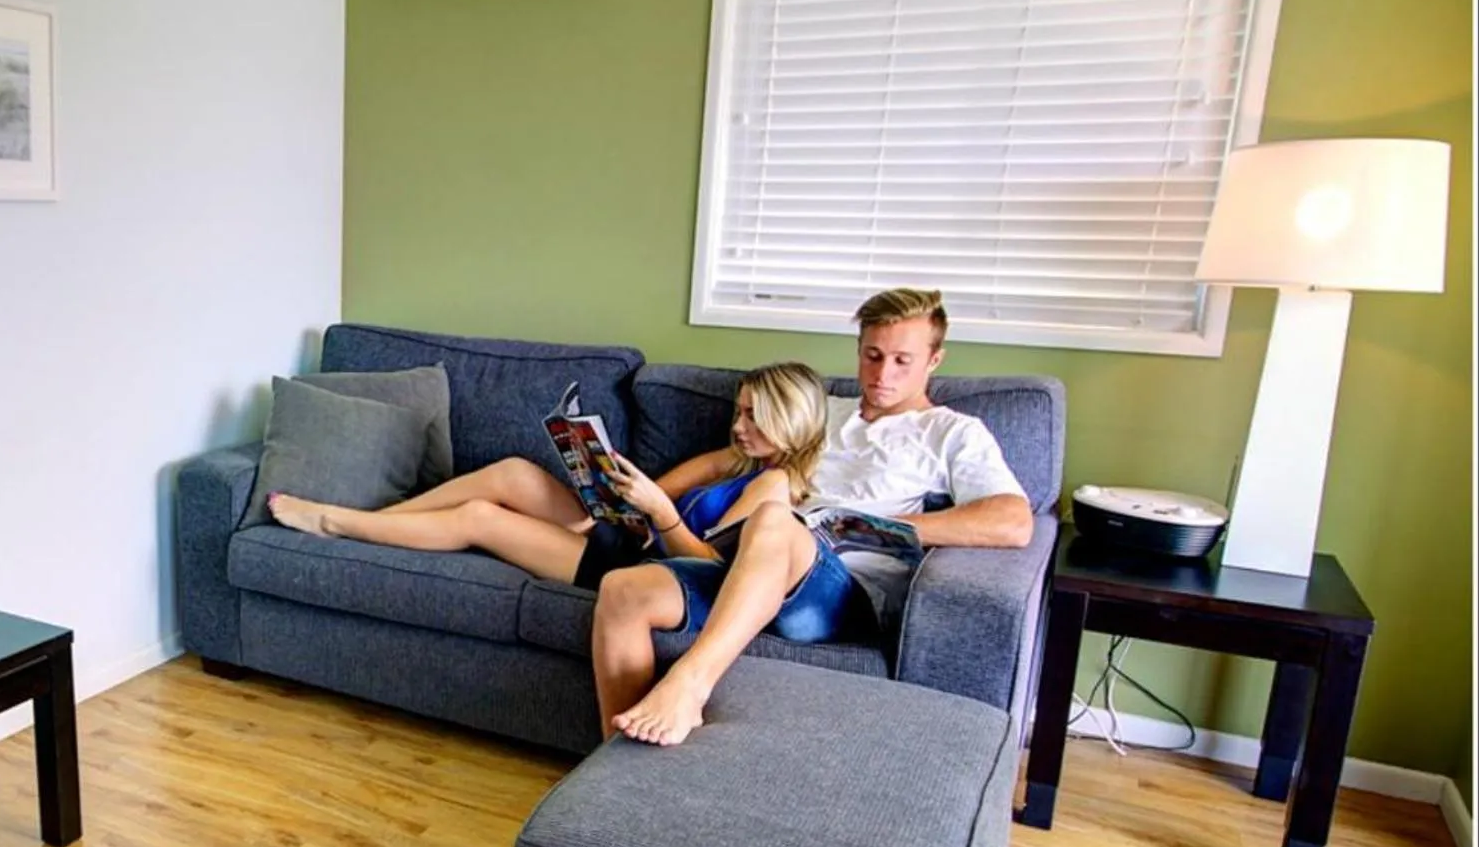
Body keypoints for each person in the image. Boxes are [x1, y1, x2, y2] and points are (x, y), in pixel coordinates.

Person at [599, 288, 1035, 746]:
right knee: (623, 590)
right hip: (755, 566)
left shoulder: (952, 432)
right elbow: (729, 458)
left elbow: (1014, 520)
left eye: (902, 361)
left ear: (934, 360)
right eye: (872, 355)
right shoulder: (825, 411)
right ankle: (609, 765)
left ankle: (691, 683)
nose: (882, 374)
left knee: (773, 519)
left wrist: (879, 529)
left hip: (839, 591)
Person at [266, 360, 830, 590]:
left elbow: (715, 570)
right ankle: (379, 520)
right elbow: (652, 498)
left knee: (479, 519)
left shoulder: (772, 488)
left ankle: (338, 524)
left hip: (645, 569)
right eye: (739, 409)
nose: (738, 424)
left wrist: (657, 512)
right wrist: (603, 486)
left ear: (791, 420)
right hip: (625, 534)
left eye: (754, 416)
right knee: (512, 472)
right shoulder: (732, 459)